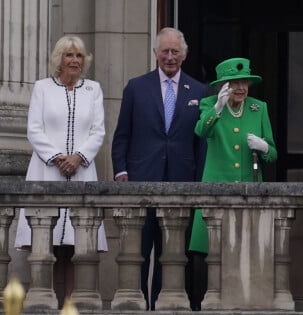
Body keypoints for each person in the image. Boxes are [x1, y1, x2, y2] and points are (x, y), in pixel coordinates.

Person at [111, 27, 207, 311]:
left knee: (172, 255)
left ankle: (164, 306)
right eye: (164, 51)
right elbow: (122, 135)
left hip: (181, 185)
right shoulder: (136, 87)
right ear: (155, 53)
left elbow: (201, 143)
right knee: (138, 254)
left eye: (175, 51)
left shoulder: (199, 91)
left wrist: (199, 182)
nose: (169, 57)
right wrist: (120, 171)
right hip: (142, 183)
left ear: (184, 55)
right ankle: (139, 306)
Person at [14, 35, 107, 307]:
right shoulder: (43, 88)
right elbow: (34, 129)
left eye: (79, 56)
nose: (75, 60)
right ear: (59, 59)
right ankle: (47, 304)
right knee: (49, 243)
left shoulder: (93, 89)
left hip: (81, 172)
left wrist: (79, 157)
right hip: (47, 172)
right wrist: (56, 157)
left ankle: (72, 306)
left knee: (75, 244)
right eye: (69, 55)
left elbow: (98, 130)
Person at [194, 57, 277, 182]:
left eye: (245, 82)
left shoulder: (259, 108)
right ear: (223, 86)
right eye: (235, 83)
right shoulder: (210, 104)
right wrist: (218, 107)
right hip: (217, 186)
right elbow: (201, 131)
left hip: (250, 188)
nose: (241, 88)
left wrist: (264, 148)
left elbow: (272, 156)